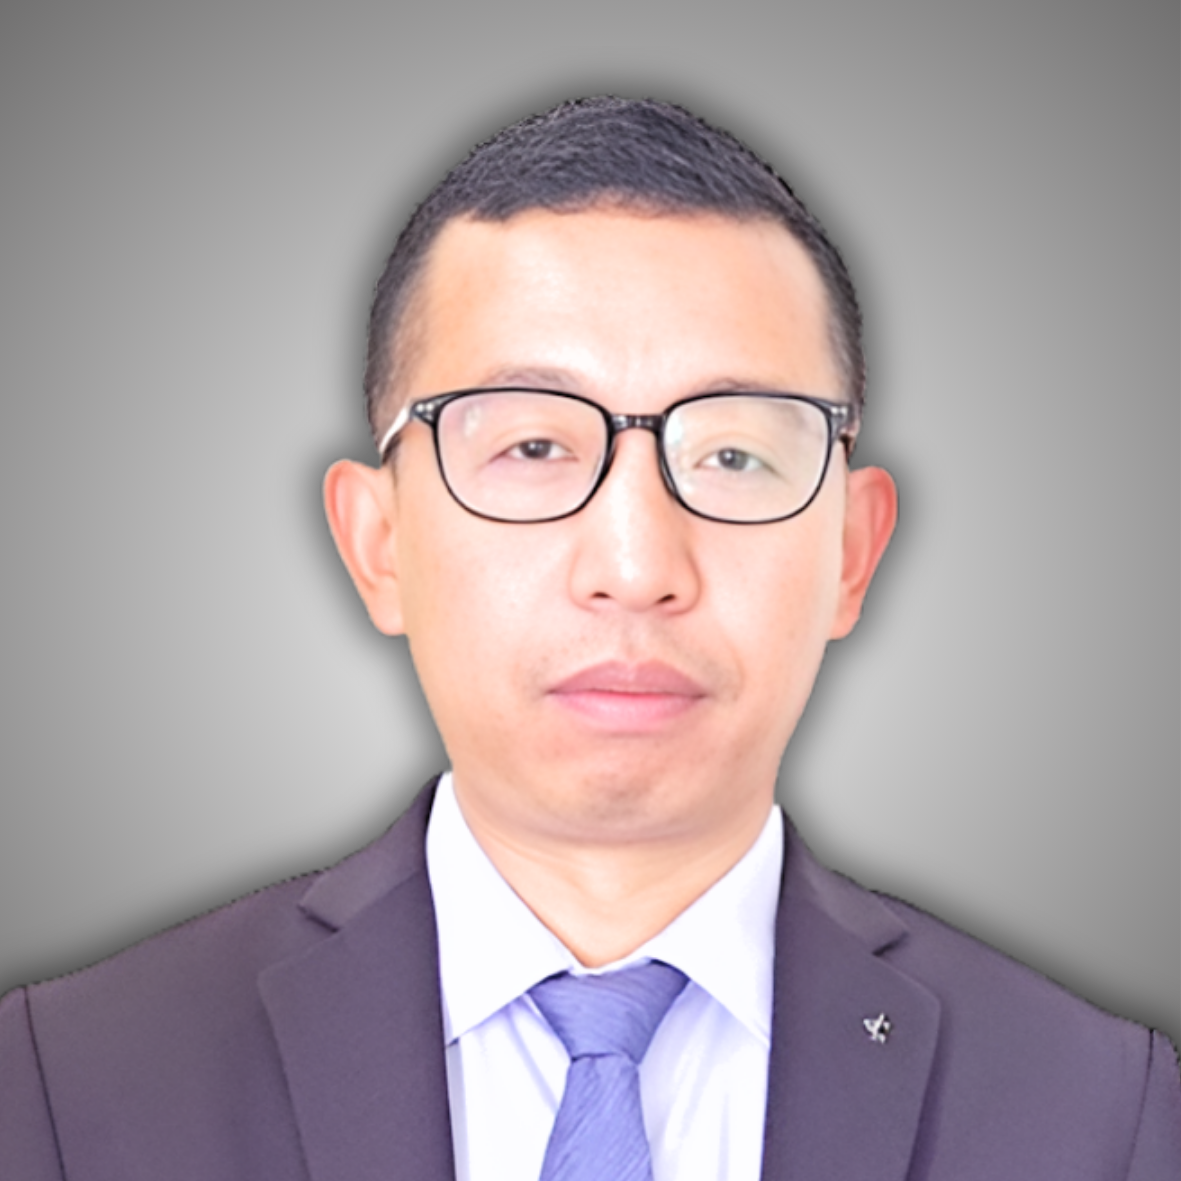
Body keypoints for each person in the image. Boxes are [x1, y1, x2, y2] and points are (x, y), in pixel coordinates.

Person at [1, 96, 1177, 1180]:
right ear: (378, 543)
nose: (634, 565)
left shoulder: (1098, 1109)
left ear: (851, 553)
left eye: (732, 454)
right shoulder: (71, 1079)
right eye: (531, 446)